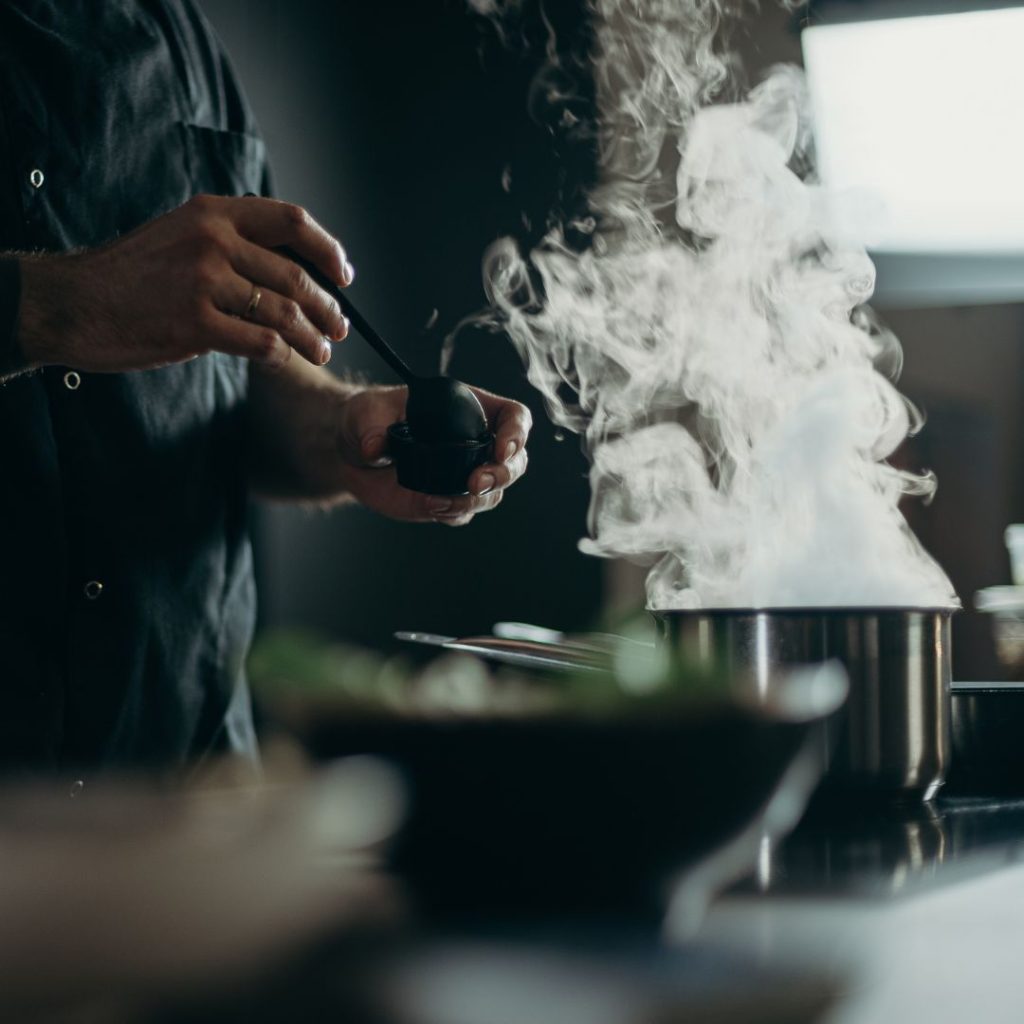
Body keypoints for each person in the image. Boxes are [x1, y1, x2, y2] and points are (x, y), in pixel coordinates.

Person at [0, 0, 531, 781]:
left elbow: (230, 394)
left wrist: (343, 432)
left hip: (191, 790)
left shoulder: (184, 43)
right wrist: (65, 305)